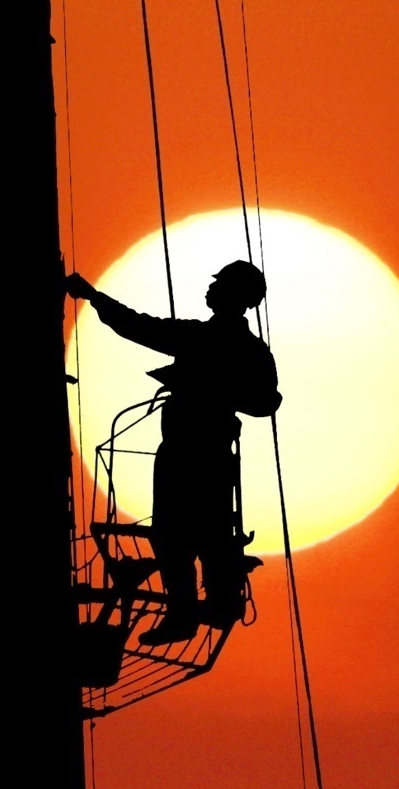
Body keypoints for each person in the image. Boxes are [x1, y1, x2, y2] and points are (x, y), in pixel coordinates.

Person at [65, 259, 280, 644]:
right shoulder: (235, 345)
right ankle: (200, 607)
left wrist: (209, 386)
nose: (209, 289)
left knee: (186, 535)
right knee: (179, 535)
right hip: (191, 452)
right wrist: (96, 299)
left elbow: (267, 401)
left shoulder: (219, 343)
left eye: (218, 285)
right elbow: (140, 327)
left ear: (234, 296)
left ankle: (195, 610)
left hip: (199, 453)